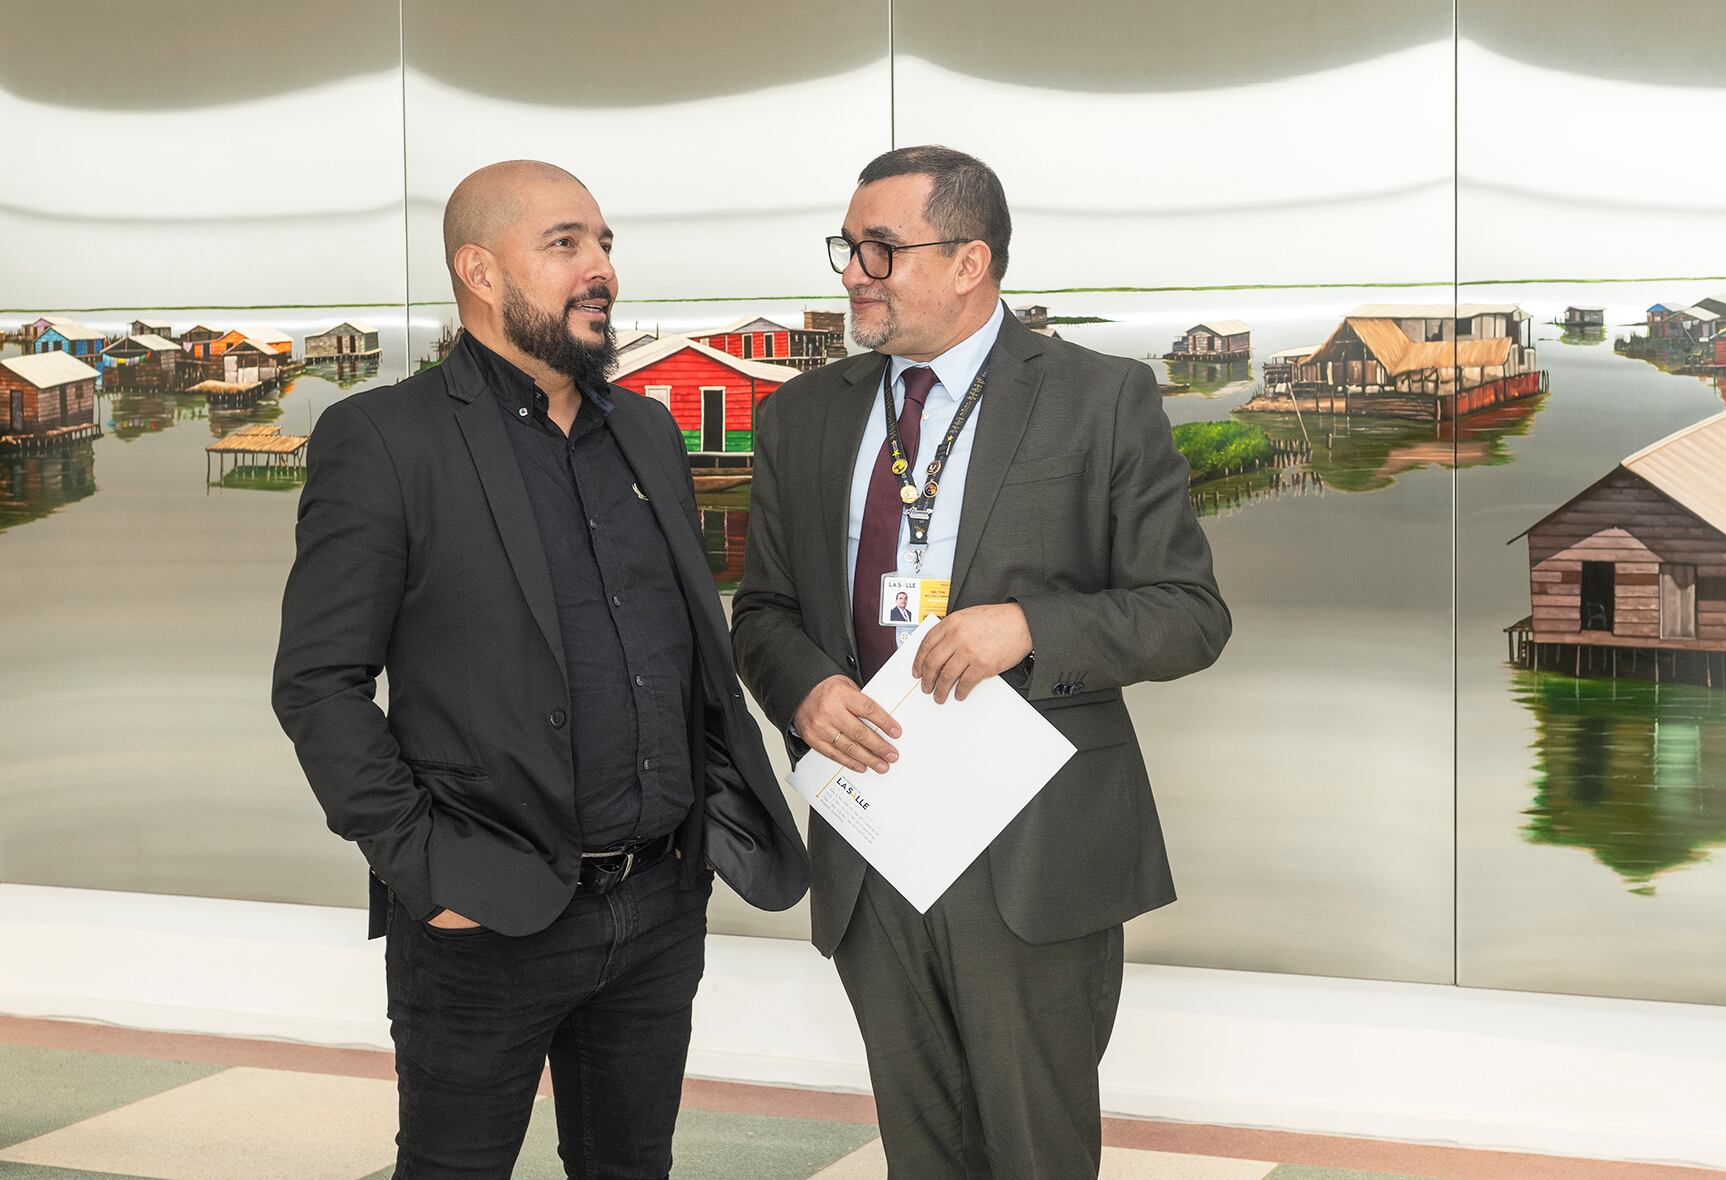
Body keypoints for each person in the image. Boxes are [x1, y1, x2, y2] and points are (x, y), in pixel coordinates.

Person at [272, 159, 807, 1179]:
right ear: (479, 271)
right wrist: (427, 870)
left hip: (657, 907)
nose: (599, 267)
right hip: (485, 919)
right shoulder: (385, 438)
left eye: (603, 243)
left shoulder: (645, 430)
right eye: (565, 244)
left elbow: (682, 653)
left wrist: (698, 833)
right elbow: (317, 684)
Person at [730, 145, 1229, 1179]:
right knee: (922, 1151)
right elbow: (763, 612)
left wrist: (1030, 627)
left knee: (1033, 1152)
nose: (853, 272)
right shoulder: (800, 416)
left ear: (970, 262)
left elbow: (1188, 614)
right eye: (846, 247)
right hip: (871, 837)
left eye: (881, 248)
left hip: (1032, 851)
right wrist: (804, 689)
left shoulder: (1099, 398)